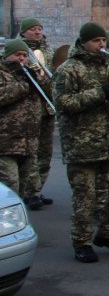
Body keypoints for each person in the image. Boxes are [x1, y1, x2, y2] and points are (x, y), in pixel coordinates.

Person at [52, 21, 109, 263]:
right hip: (81, 144)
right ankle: (82, 242)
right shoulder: (69, 69)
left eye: (103, 41)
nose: (102, 45)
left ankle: (108, 233)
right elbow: (63, 104)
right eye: (96, 41)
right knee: (85, 198)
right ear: (84, 42)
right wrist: (100, 94)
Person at [0, 39, 45, 198]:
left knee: (21, 189)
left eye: (25, 55)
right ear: (7, 55)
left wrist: (39, 79)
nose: (21, 59)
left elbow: (49, 93)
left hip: (28, 143)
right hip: (5, 143)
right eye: (17, 55)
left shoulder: (27, 73)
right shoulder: (3, 72)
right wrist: (25, 85)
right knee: (10, 185)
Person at [19, 16, 55, 209]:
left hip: (48, 106)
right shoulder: (19, 50)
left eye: (39, 28)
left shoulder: (49, 49)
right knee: (31, 151)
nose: (37, 32)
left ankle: (38, 189)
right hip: (29, 107)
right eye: (33, 29)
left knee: (45, 152)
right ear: (24, 32)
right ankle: (30, 191)